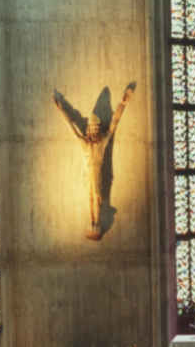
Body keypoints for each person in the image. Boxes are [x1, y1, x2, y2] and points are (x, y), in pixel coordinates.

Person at [52, 81, 137, 240]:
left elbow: (114, 124)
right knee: (91, 198)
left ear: (98, 129)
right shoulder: (84, 143)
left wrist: (123, 103)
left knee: (96, 197)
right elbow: (71, 125)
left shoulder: (102, 142)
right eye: (91, 128)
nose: (94, 129)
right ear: (89, 130)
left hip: (97, 174)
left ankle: (95, 223)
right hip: (87, 174)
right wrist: (62, 109)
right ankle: (94, 223)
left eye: (96, 128)